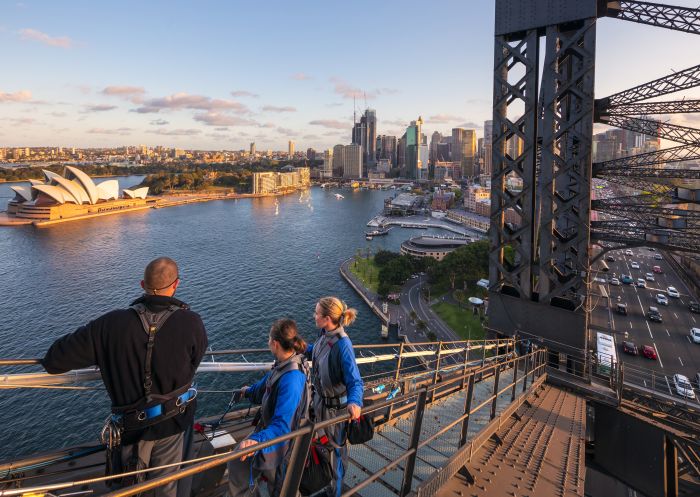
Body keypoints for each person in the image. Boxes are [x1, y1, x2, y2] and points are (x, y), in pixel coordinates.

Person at [41, 257, 208, 497]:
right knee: (167, 487)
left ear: (142, 284)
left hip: (131, 428)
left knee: (130, 488)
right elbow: (195, 362)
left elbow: (54, 362)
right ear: (176, 285)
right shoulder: (192, 322)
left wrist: (106, 355)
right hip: (174, 422)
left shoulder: (109, 325)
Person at [228, 319, 309, 497]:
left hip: (281, 441)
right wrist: (247, 392)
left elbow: (283, 425)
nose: (267, 342)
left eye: (269, 339)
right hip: (271, 434)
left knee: (281, 488)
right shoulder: (282, 365)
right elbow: (264, 387)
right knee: (273, 482)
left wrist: (257, 440)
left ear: (275, 344)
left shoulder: (292, 379)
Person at [308, 297, 364, 497]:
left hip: (335, 413)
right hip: (320, 405)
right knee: (323, 448)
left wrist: (355, 402)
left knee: (337, 454)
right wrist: (298, 348)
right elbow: (317, 352)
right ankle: (323, 483)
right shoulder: (324, 334)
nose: (314, 316)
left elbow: (355, 381)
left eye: (317, 313)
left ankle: (336, 492)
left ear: (327, 318)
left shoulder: (343, 345)